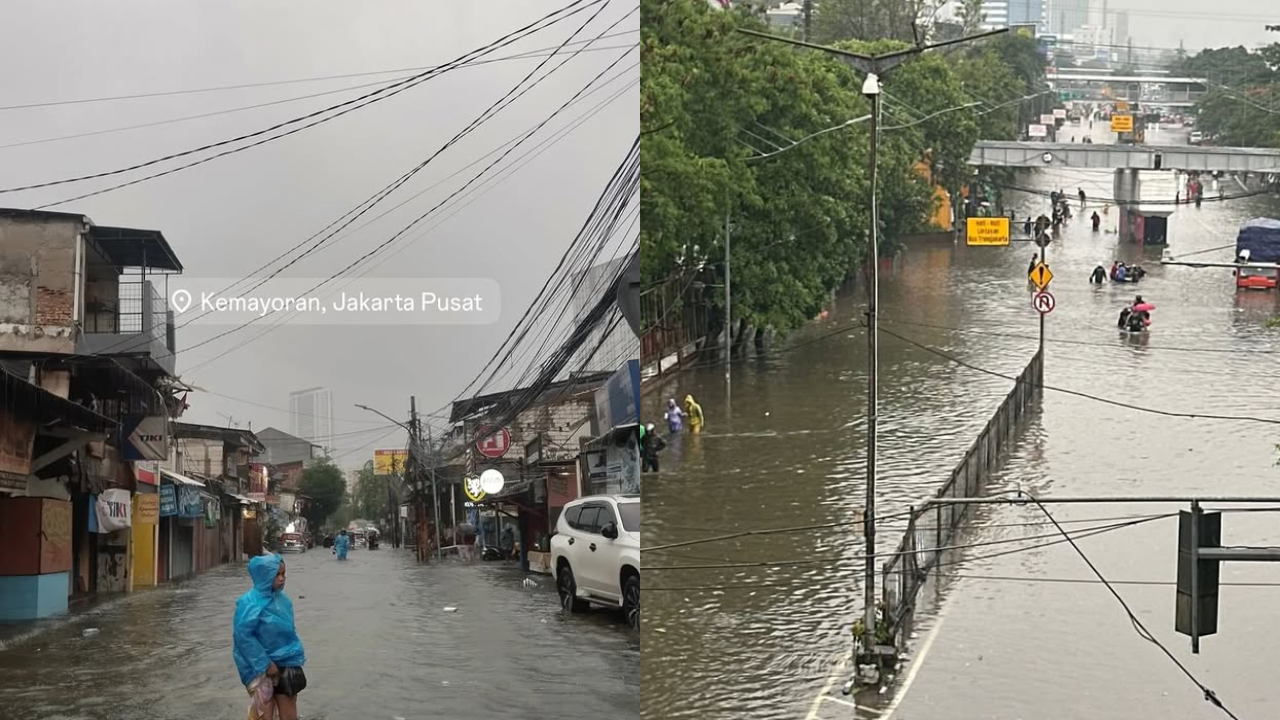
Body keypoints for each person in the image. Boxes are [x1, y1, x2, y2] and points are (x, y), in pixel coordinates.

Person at [234, 554, 306, 720]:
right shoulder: (249, 602)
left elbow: (290, 632)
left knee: (289, 714)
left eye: (284, 574)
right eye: (277, 574)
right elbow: (243, 637)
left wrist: (294, 658)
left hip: (286, 662)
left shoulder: (284, 601)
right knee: (264, 714)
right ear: (264, 575)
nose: (282, 579)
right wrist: (265, 664)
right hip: (257, 668)